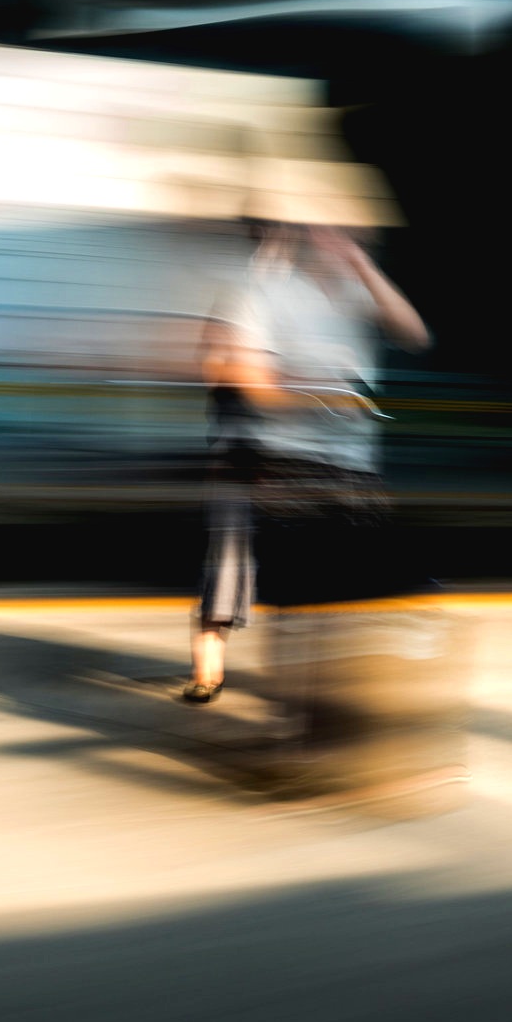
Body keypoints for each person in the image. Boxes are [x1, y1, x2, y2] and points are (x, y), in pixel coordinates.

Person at [185, 220, 427, 705]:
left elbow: (413, 332)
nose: (337, 246)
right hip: (259, 454)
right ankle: (209, 670)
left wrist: (361, 267)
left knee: (342, 575)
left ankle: (332, 678)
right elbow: (231, 372)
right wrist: (315, 392)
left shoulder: (351, 294)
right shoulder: (256, 291)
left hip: (345, 460)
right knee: (233, 566)